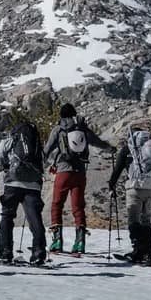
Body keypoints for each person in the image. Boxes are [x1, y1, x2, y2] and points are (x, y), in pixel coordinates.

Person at [43, 103, 113, 254]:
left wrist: (39, 164)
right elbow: (97, 142)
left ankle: (57, 241)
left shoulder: (58, 129)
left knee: (57, 204)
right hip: (80, 173)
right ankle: (80, 242)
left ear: (61, 115)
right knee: (78, 207)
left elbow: (47, 149)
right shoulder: (82, 128)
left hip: (63, 172)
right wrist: (110, 148)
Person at [0, 118, 49, 265]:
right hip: (33, 185)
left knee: (7, 216)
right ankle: (39, 253)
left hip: (13, 183)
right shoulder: (35, 143)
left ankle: (5, 252)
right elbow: (44, 161)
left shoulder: (9, 140)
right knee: (35, 219)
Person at [107, 120, 151, 265]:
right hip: (150, 189)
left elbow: (117, 170)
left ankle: (138, 250)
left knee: (134, 220)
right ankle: (149, 253)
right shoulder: (150, 150)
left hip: (134, 188)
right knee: (146, 220)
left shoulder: (128, 149)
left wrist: (111, 186)